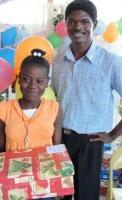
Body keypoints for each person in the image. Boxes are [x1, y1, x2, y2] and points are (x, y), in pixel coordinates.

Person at [51, 0, 122, 200]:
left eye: (84, 21)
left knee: (86, 196)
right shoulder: (58, 60)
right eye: (72, 21)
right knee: (60, 192)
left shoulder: (112, 62)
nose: (78, 27)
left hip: (91, 141)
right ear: (66, 25)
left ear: (94, 25)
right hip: (60, 139)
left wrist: (113, 135)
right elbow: (52, 98)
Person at [0, 48, 62, 153]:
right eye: (26, 79)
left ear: (46, 82)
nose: (32, 86)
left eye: (39, 81)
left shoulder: (54, 108)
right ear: (19, 79)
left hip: (45, 169)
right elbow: (0, 150)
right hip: (13, 169)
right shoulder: (3, 110)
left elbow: (57, 149)